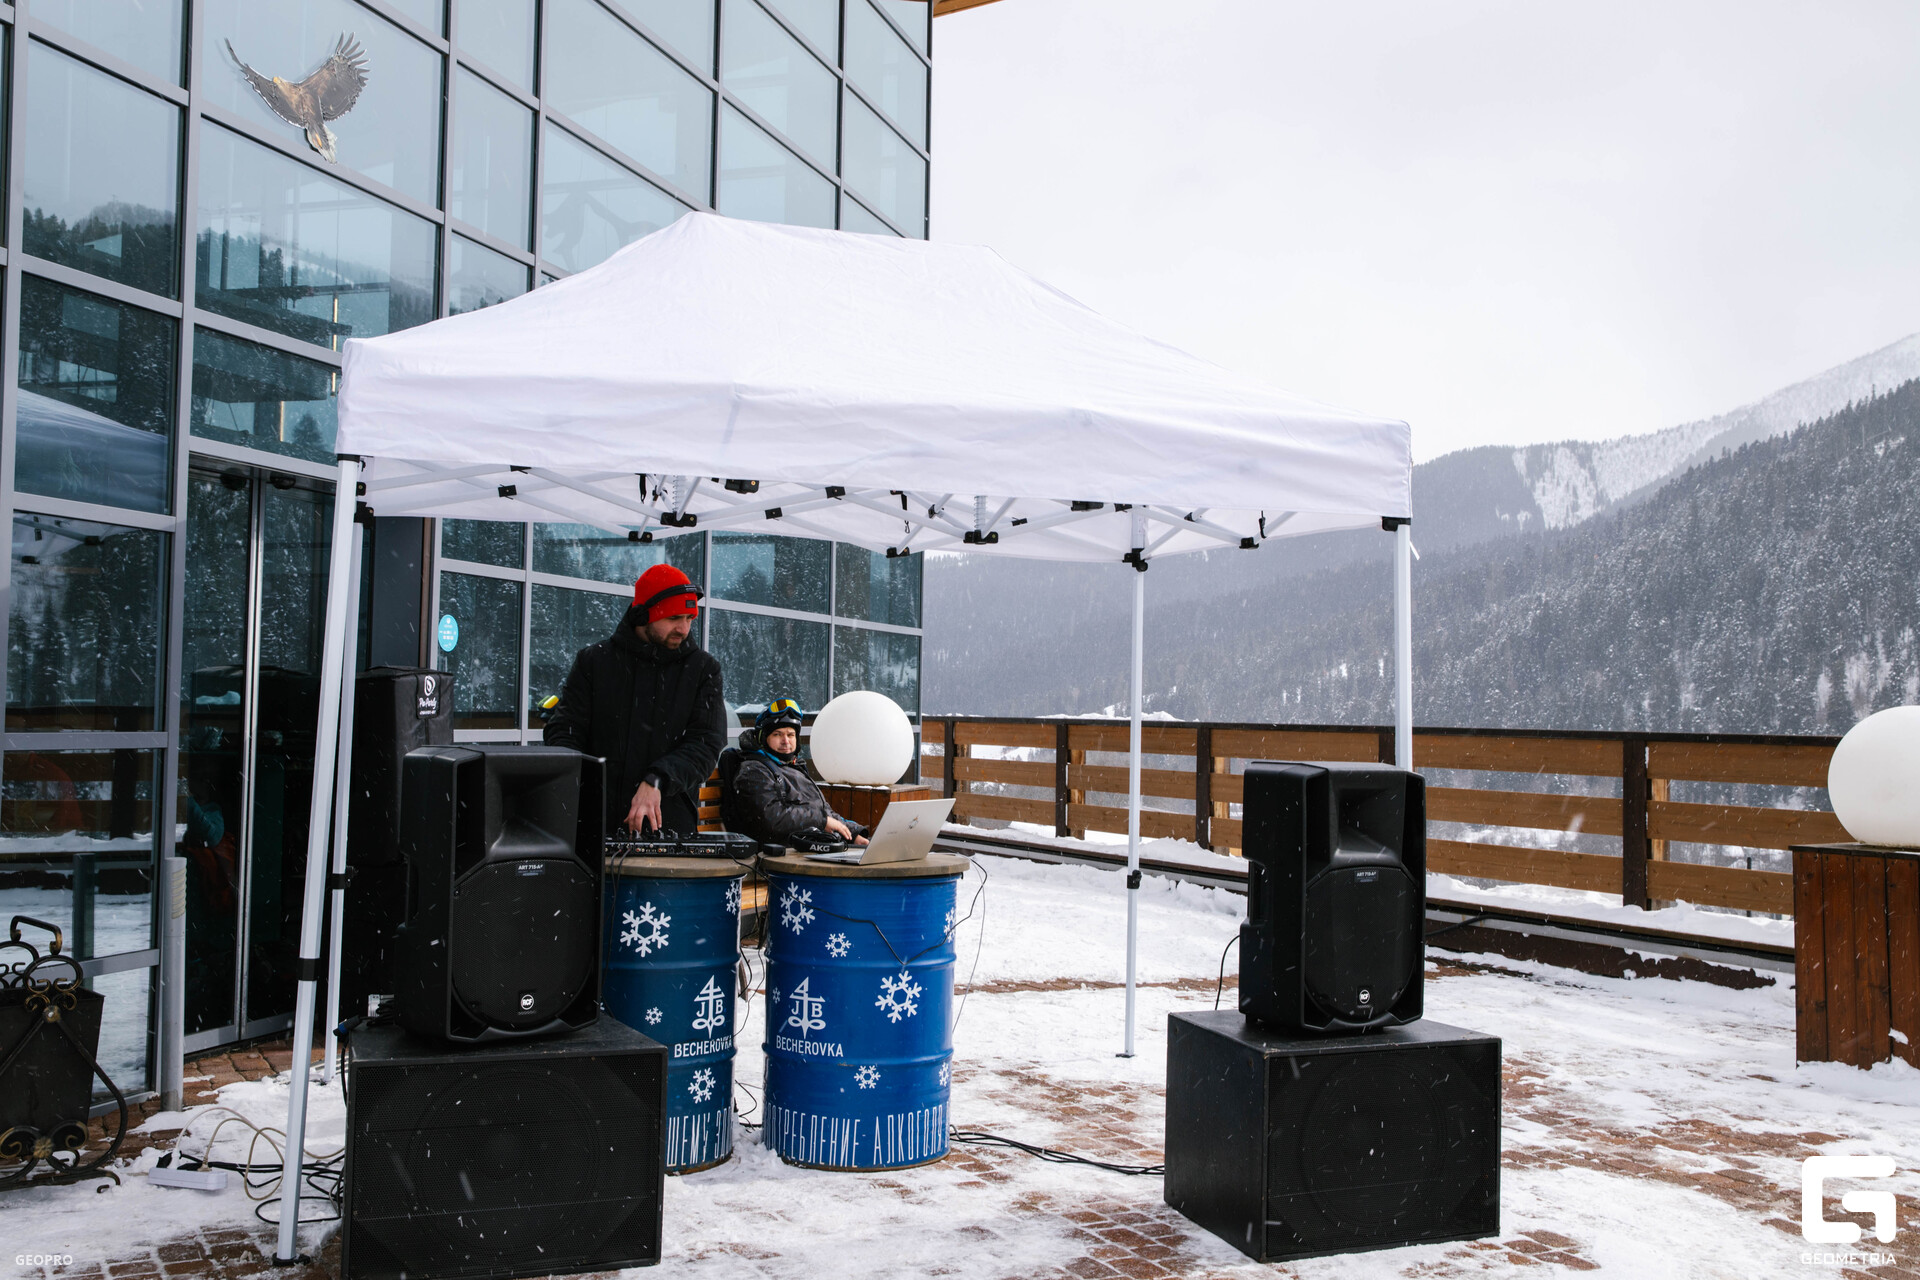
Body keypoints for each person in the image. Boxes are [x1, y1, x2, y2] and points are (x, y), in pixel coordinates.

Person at [544, 563, 726, 837]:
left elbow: (706, 743)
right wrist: (576, 787)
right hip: (594, 825)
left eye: (690, 618)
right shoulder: (593, 662)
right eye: (674, 618)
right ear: (642, 615)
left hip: (668, 827)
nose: (684, 628)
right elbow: (565, 731)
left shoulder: (703, 669)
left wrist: (658, 779)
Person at [727, 699, 870, 849]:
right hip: (781, 852)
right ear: (764, 737)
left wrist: (853, 834)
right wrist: (820, 821)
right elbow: (772, 818)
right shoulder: (754, 771)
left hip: (810, 845)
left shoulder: (793, 768)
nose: (786, 741)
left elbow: (824, 812)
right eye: (777, 734)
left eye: (791, 734)